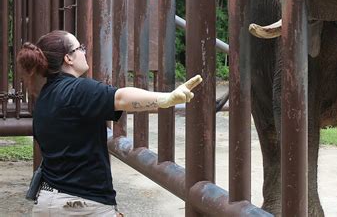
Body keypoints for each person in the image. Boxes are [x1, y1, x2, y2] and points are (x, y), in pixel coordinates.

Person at [16, 30, 202, 217]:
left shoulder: (44, 97)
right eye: (80, 48)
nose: (84, 52)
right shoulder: (78, 89)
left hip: (47, 202)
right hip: (82, 207)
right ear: (68, 58)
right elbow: (120, 97)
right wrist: (166, 98)